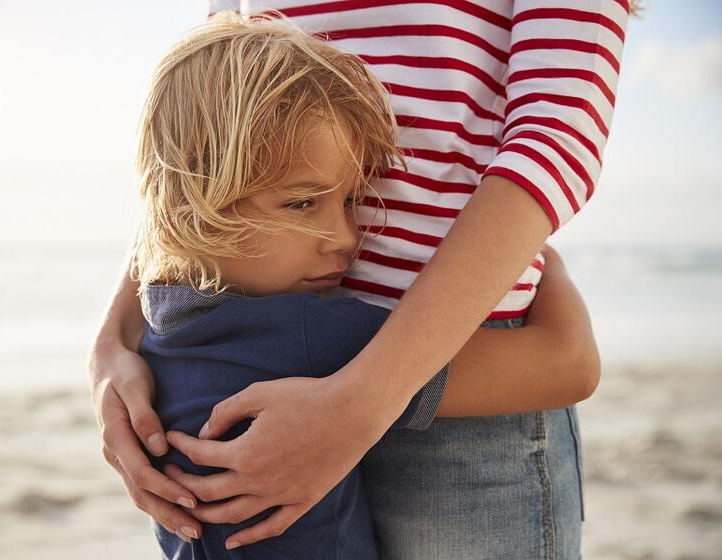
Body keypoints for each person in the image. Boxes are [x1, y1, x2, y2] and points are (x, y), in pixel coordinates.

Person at [89, 1, 630, 557]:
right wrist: (112, 341)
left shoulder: (186, 339)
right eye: (301, 202)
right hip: (413, 354)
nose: (347, 237)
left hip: (454, 367)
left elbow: (556, 127)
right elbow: (570, 364)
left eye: (351, 201)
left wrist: (131, 330)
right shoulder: (306, 334)